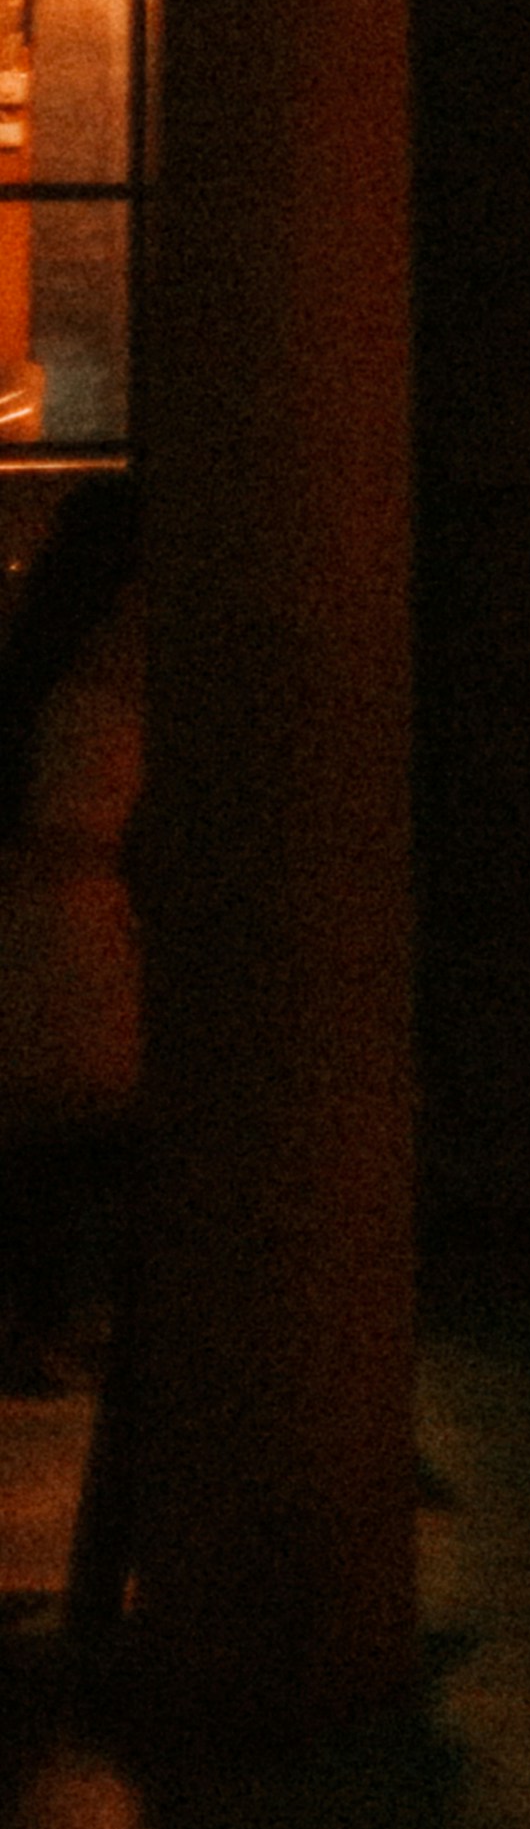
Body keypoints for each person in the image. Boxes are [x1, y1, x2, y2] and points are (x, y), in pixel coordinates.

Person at [0, 475, 145, 1405]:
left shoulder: (51, 657)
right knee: (74, 1117)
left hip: (47, 909)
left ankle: (40, 1315)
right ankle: (46, 1317)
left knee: (48, 1129)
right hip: (69, 911)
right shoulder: (123, 658)